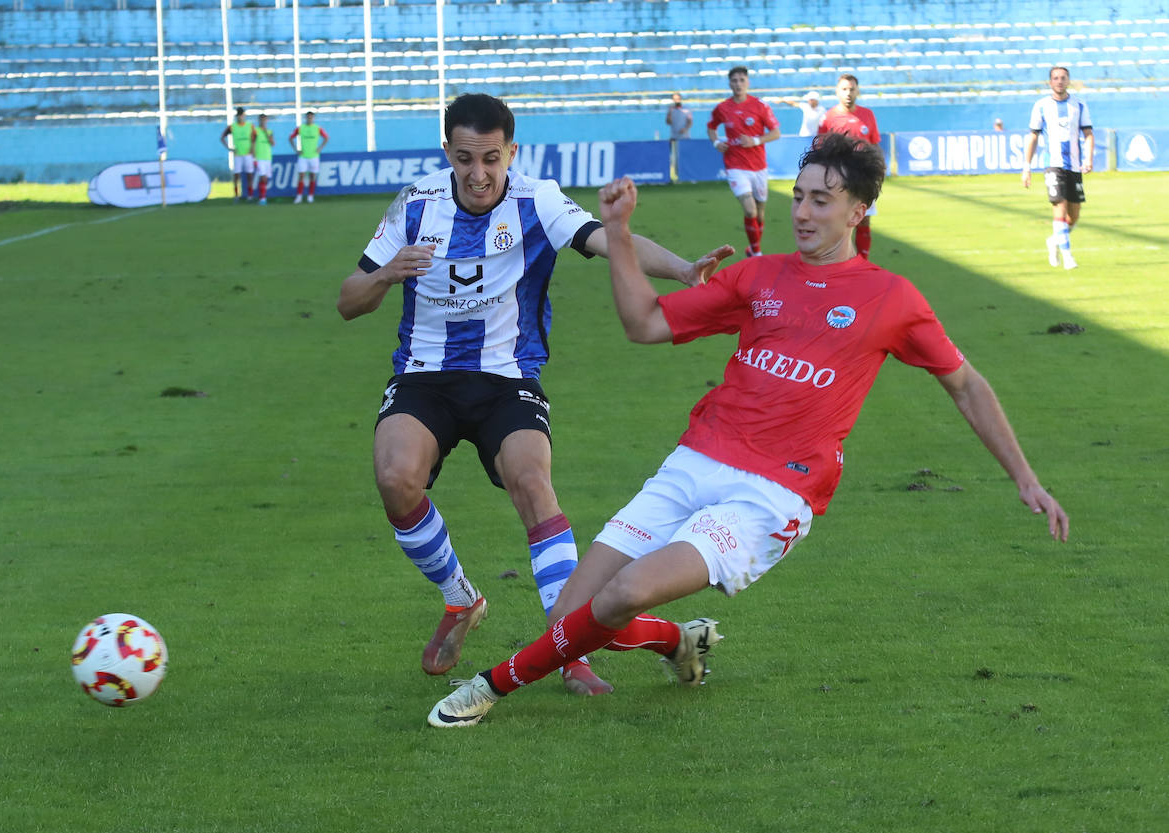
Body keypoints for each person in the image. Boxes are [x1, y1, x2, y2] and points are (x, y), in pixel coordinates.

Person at [428, 132, 1070, 727]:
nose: (804, 212)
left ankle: (490, 687)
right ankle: (677, 639)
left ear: (858, 211)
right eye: (800, 197)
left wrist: (1026, 479)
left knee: (625, 592)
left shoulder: (891, 298)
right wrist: (619, 235)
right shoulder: (760, 276)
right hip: (695, 463)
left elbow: (965, 382)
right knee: (572, 616)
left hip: (771, 493)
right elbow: (645, 325)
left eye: (823, 200)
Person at [337, 93, 716, 697]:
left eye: (491, 158)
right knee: (394, 478)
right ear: (448, 154)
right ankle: (460, 600)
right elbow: (347, 300)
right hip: (423, 376)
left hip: (508, 379)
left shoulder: (537, 199)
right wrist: (385, 274)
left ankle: (569, 651)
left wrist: (682, 269)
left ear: (512, 152)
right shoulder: (415, 204)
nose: (479, 173)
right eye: (465, 158)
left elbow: (605, 241)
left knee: (533, 484)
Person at [1021, 66, 1093, 271]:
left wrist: (1088, 158)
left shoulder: (1079, 105)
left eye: (1063, 78)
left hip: (1074, 165)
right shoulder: (1041, 106)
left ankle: (1054, 240)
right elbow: (1033, 135)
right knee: (1059, 207)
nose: (1059, 81)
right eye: (1055, 78)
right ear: (1050, 82)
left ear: (1068, 81)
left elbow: (1088, 133)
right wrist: (1026, 167)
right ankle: (1068, 256)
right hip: (1053, 165)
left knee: (1074, 215)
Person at [708, 66, 781, 257]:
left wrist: (755, 141)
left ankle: (753, 247)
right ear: (729, 83)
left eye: (742, 80)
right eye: (734, 80)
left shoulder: (760, 106)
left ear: (748, 82)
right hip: (735, 166)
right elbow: (711, 127)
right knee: (750, 211)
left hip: (758, 167)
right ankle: (757, 253)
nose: (738, 84)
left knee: (759, 212)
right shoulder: (722, 108)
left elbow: (775, 133)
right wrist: (716, 142)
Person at [818, 73, 881, 259]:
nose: (848, 93)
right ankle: (835, 259)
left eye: (852, 89)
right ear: (837, 92)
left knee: (864, 219)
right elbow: (820, 150)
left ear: (857, 91)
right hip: (839, 179)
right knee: (838, 221)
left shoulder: (867, 115)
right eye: (844, 89)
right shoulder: (828, 118)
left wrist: (880, 169)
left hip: (864, 176)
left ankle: (862, 261)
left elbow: (874, 144)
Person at [291, 111, 328, 203]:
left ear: (313, 118)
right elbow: (291, 137)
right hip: (303, 156)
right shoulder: (300, 128)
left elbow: (326, 137)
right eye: (308, 117)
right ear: (306, 118)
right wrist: (296, 149)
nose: (309, 119)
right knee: (301, 176)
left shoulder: (317, 128)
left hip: (314, 156)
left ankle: (310, 196)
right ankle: (299, 196)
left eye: (311, 117)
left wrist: (320, 148)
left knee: (312, 176)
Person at [219, 107, 255, 201]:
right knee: (236, 175)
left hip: (248, 154)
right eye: (238, 115)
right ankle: (236, 195)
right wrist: (229, 148)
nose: (240, 117)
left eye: (241, 115)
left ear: (244, 115)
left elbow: (254, 138)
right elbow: (222, 137)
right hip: (238, 154)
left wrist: (252, 149)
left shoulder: (250, 126)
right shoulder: (232, 127)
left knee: (249, 175)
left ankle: (250, 195)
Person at [664, 91, 693, 182]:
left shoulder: (687, 109)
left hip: (685, 137)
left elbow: (690, 121)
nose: (676, 100)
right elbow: (668, 122)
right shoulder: (671, 110)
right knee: (674, 158)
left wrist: (685, 128)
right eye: (674, 99)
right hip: (674, 137)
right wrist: (669, 112)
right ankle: (677, 176)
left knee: (686, 157)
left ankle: (688, 176)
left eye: (677, 98)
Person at [252, 114, 274, 205]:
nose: (263, 122)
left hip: (267, 158)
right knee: (263, 177)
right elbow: (252, 143)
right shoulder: (255, 131)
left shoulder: (269, 132)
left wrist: (266, 133)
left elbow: (272, 143)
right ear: (259, 121)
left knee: (265, 179)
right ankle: (262, 198)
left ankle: (261, 196)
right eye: (261, 120)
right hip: (259, 158)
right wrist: (253, 157)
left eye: (265, 120)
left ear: (267, 121)